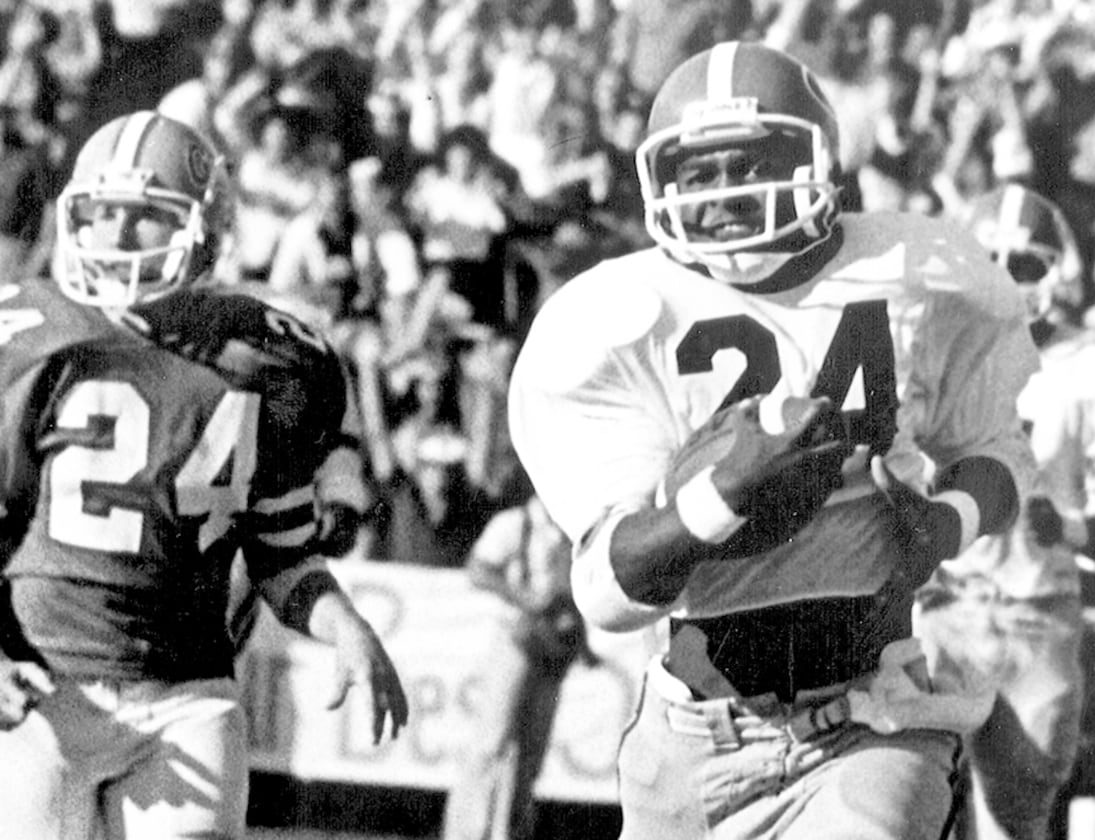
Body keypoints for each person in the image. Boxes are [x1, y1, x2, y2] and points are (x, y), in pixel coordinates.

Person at [508, 42, 1040, 840]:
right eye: (698, 171)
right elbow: (607, 594)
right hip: (696, 733)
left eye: (750, 161)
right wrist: (718, 502)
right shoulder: (619, 317)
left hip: (875, 712)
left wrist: (948, 523)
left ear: (817, 160)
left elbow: (999, 450)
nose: (725, 193)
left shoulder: (916, 269)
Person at [0, 110, 409, 840]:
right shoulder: (28, 338)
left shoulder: (271, 359)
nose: (116, 237)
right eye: (101, 215)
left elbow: (281, 549)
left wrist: (344, 623)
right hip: (43, 687)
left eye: (144, 218)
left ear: (204, 231)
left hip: (189, 693)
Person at [914, 184, 1095, 840]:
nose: (1003, 276)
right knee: (917, 811)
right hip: (941, 614)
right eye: (989, 256)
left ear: (1061, 274)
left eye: (1023, 263)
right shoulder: (922, 349)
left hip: (1036, 618)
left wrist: (1076, 527)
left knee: (1014, 824)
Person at [441, 493, 590, 840]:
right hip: (515, 639)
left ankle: (513, 831)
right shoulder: (514, 523)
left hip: (554, 646)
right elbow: (477, 569)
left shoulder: (573, 527)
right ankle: (466, 833)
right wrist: (523, 597)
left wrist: (582, 644)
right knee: (491, 741)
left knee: (533, 750)